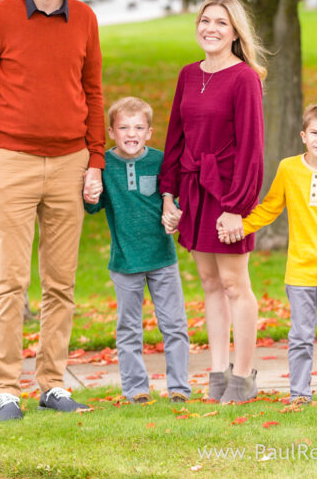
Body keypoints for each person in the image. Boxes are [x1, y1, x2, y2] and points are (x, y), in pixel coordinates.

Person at [0, 0, 105, 421]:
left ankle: (51, 384)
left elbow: (93, 92)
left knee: (61, 283)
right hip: (13, 163)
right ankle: (5, 388)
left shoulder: (85, 18)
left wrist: (96, 159)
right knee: (10, 282)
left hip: (70, 164)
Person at [218, 102, 317, 407]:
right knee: (300, 338)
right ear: (303, 135)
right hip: (300, 273)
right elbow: (270, 207)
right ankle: (299, 395)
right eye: (314, 132)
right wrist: (241, 227)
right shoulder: (289, 169)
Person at [159, 0, 265, 404]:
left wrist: (237, 206)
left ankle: (243, 378)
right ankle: (218, 375)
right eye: (206, 21)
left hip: (226, 191)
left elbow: (252, 149)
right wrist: (168, 195)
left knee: (236, 284)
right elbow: (175, 138)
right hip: (192, 191)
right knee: (209, 284)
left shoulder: (244, 78)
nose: (212, 29)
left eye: (221, 23)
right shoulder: (188, 74)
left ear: (235, 32)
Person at [84, 96, 191, 404]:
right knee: (129, 328)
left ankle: (179, 389)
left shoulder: (160, 162)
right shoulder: (103, 165)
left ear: (148, 132)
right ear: (111, 131)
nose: (131, 134)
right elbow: (93, 207)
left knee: (174, 326)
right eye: (123, 128)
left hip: (162, 259)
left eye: (138, 128)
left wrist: (176, 213)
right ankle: (136, 390)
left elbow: (177, 197)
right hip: (124, 262)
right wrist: (89, 196)